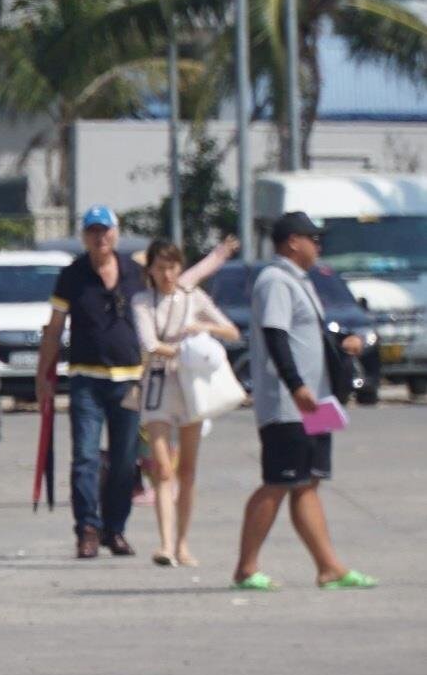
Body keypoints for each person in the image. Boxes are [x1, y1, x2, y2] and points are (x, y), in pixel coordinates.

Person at [233, 213, 377, 591]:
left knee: (309, 482)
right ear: (293, 241)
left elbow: (305, 336)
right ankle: (246, 568)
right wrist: (295, 385)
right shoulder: (275, 281)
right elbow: (276, 337)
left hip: (317, 402)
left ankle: (329, 567)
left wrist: (344, 342)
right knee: (278, 482)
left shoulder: (302, 282)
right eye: (314, 238)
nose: (319, 246)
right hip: (289, 404)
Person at [38, 205, 146, 559]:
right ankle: (87, 527)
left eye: (106, 231)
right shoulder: (72, 275)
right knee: (84, 456)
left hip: (129, 380)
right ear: (84, 236)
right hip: (86, 379)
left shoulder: (136, 273)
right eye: (93, 232)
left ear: (116, 232)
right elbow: (54, 330)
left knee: (125, 460)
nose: (100, 238)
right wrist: (44, 376)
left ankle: (115, 529)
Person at [132, 238, 241, 567]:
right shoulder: (142, 301)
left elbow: (231, 331)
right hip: (157, 388)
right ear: (150, 269)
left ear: (180, 267)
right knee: (163, 469)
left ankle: (182, 544)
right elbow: (150, 344)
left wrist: (202, 328)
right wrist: (185, 350)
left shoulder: (192, 296)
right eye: (160, 267)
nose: (167, 274)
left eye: (172, 267)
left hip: (191, 387)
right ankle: (165, 545)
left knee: (188, 471)